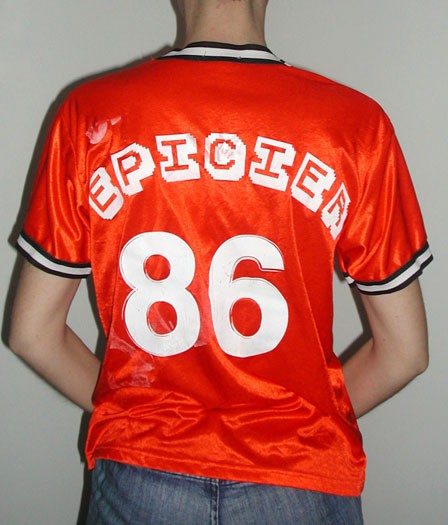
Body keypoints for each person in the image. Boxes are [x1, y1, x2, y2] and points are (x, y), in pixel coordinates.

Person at [8, 1, 432, 523]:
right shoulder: (355, 125)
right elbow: (405, 353)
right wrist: (304, 420)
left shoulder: (92, 115)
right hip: (300, 476)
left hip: (142, 475)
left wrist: (137, 418)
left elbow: (32, 334)